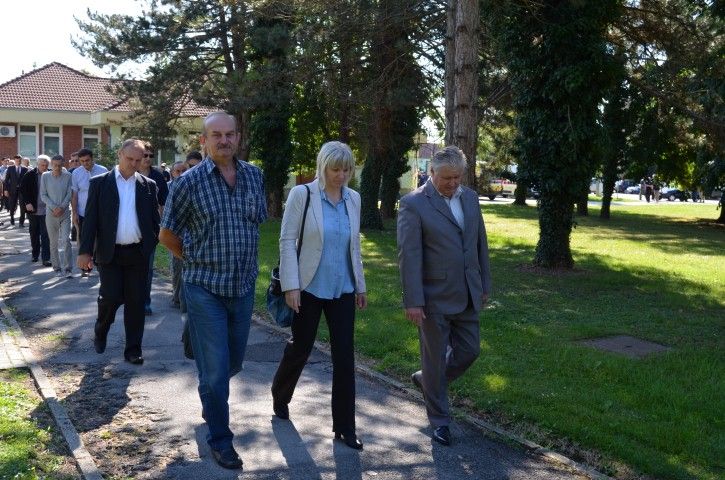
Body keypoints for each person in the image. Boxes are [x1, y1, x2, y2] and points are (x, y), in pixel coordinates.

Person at [159, 112, 267, 470]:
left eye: (230, 134)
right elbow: (166, 235)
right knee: (217, 371)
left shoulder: (254, 176)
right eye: (216, 135)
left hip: (243, 287)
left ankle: (209, 387)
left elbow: (256, 225)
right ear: (203, 141)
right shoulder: (187, 183)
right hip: (204, 287)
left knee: (232, 363)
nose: (224, 140)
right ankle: (221, 439)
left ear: (238, 138)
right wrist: (192, 259)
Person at [271, 141, 367, 450]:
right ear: (323, 167)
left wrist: (360, 284)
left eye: (346, 170)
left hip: (343, 288)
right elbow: (287, 240)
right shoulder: (303, 194)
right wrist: (291, 285)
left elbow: (354, 244)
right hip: (308, 286)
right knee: (301, 347)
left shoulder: (354, 198)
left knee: (345, 357)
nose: (341, 176)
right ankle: (280, 395)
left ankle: (345, 427)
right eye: (335, 169)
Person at [397, 145, 491, 447]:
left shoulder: (471, 198)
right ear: (432, 172)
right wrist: (413, 300)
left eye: (457, 177)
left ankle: (427, 381)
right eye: (447, 177)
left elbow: (480, 244)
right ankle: (440, 421)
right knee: (435, 360)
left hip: (467, 292)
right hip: (433, 296)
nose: (453, 183)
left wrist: (484, 284)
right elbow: (409, 256)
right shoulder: (413, 204)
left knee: (470, 351)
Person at [77, 139, 160, 366]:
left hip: (138, 254)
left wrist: (151, 244)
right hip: (109, 253)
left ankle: (133, 349)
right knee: (111, 297)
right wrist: (85, 252)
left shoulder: (148, 185)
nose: (134, 164)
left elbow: (154, 220)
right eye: (129, 158)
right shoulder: (99, 183)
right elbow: (90, 221)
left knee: (136, 303)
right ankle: (101, 328)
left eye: (138, 160)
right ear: (120, 154)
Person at [138, 144, 168, 315]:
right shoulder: (130, 173)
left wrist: (161, 226)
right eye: (145, 155)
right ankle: (132, 300)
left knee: (147, 269)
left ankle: (145, 302)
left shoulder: (158, 176)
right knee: (132, 268)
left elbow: (164, 203)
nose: (148, 158)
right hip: (131, 229)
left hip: (150, 229)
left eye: (151, 155)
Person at [71, 148, 108, 277]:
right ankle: (85, 267)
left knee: (100, 238)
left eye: (87, 160)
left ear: (92, 159)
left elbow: (107, 193)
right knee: (84, 238)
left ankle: (99, 263)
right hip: (83, 212)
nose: (85, 163)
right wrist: (74, 213)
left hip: (100, 212)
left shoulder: (103, 171)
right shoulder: (76, 173)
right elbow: (75, 195)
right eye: (82, 161)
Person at [41, 155, 73, 277]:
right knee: (53, 242)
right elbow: (43, 195)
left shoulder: (68, 176)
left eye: (59, 165)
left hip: (65, 213)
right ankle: (57, 268)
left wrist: (62, 207)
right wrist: (54, 207)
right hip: (51, 213)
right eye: (55, 165)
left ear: (63, 164)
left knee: (66, 240)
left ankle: (68, 268)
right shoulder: (45, 176)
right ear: (51, 165)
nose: (57, 167)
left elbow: (70, 193)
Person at [19, 155, 51, 265]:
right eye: (42, 165)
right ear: (37, 164)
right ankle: (35, 254)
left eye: (46, 165)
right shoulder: (30, 175)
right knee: (34, 233)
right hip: (33, 209)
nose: (44, 167)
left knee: (46, 234)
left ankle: (46, 258)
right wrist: (27, 203)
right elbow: (23, 189)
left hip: (47, 210)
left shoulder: (51, 175)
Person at [167, 161, 187, 308]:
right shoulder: (168, 187)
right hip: (174, 233)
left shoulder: (191, 185)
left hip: (189, 231)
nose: (180, 174)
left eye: (183, 171)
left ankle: (185, 298)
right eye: (177, 171)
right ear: (172, 173)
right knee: (177, 266)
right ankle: (177, 297)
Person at [3, 155, 28, 226]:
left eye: (19, 161)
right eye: (17, 161)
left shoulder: (25, 169)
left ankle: (21, 222)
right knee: (12, 205)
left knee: (22, 206)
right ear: (14, 161)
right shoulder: (10, 168)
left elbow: (27, 181)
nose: (18, 162)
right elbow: (6, 180)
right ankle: (12, 218)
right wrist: (5, 190)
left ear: (21, 161)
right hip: (12, 190)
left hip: (22, 191)